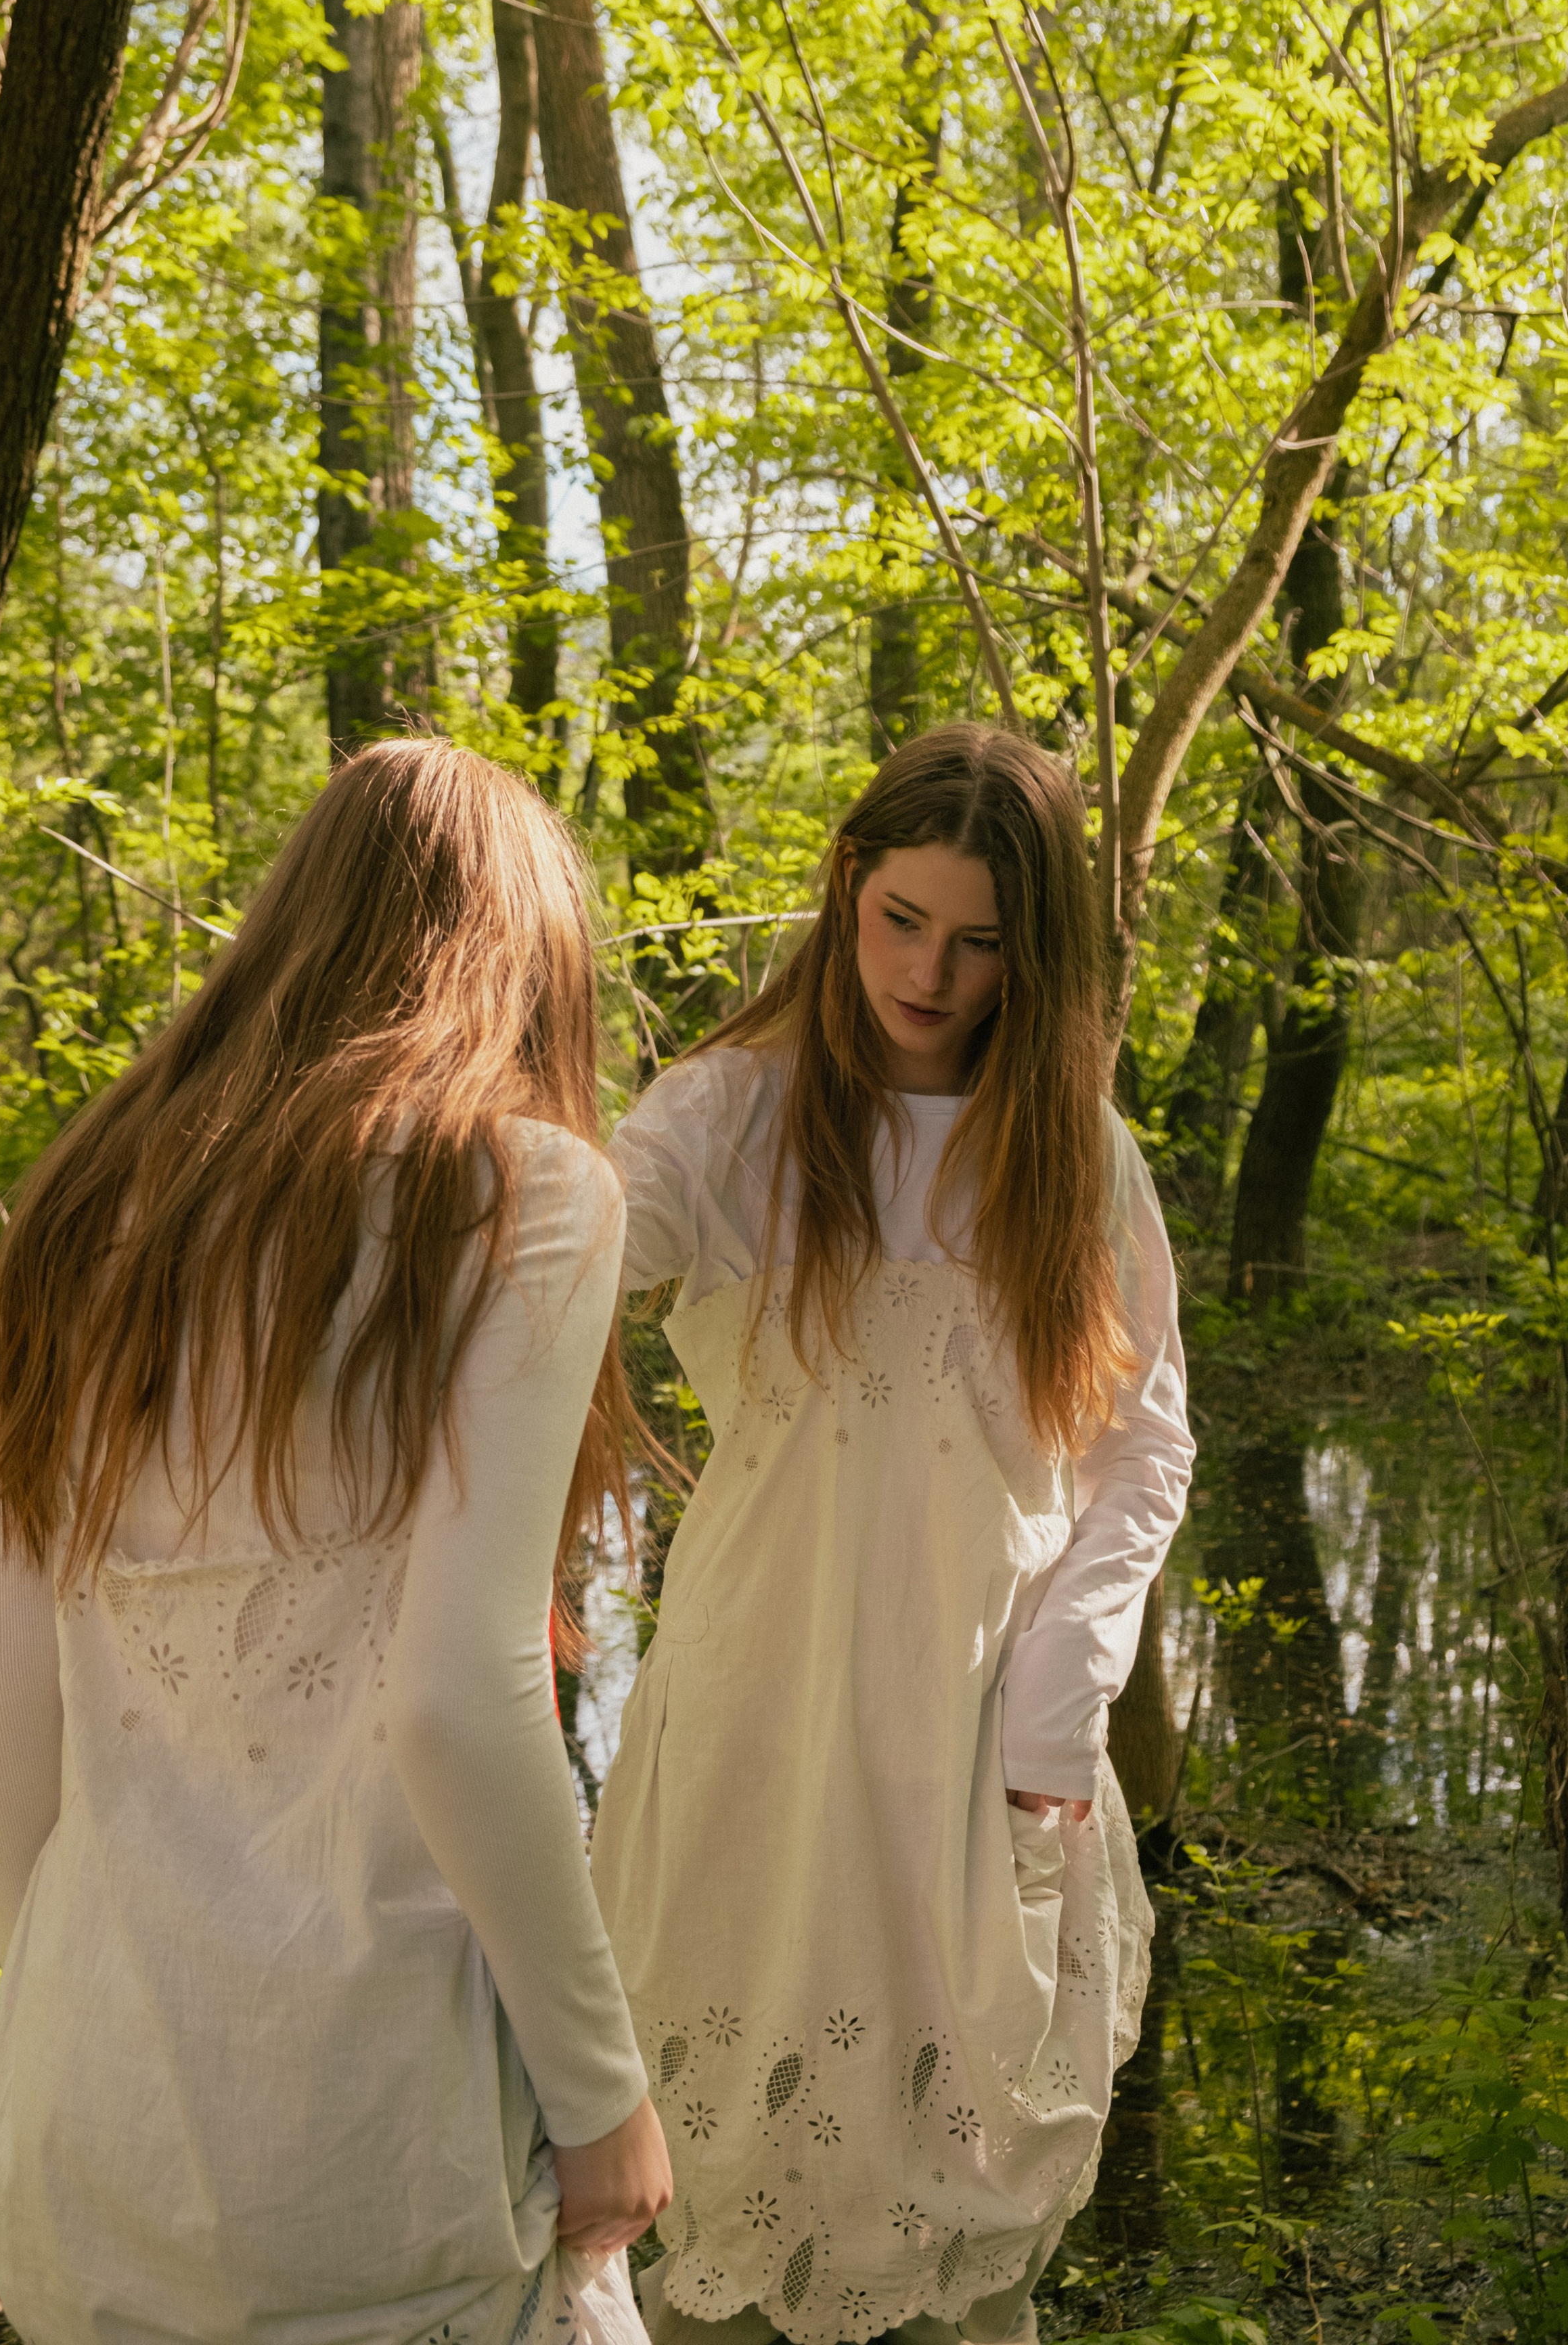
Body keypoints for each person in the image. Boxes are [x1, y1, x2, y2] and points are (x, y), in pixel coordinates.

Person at [0, 740, 673, 2345]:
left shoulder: (88, 1198)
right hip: (376, 2140)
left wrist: (61, 1994)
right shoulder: (524, 1195)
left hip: (85, 2124)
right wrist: (599, 2091)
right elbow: (457, 1699)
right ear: (527, 966)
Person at [591, 723, 1194, 2345]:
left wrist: (1059, 1701)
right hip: (758, 1728)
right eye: (899, 919)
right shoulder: (729, 1118)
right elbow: (551, 1263)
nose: (927, 974)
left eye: (978, 942)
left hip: (987, 1740)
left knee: (963, 2244)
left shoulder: (1076, 1158)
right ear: (846, 885)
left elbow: (1141, 1448)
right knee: (711, 2226)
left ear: (1032, 952)